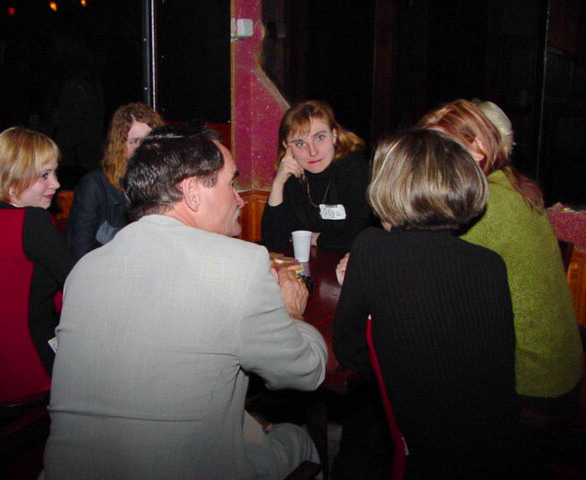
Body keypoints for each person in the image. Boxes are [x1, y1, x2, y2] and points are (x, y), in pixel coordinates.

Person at [41, 125, 327, 479]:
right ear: (192, 193)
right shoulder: (240, 265)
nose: (240, 199)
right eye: (231, 183)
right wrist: (293, 312)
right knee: (299, 440)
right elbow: (306, 373)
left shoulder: (84, 271)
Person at [333, 129, 547, 478]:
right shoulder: (489, 264)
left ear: (387, 185)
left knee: (358, 445)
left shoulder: (371, 246)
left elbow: (351, 354)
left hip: (431, 457)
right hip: (505, 451)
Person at [417, 99, 583, 419]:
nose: (435, 163)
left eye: (446, 150)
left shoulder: (487, 203)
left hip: (534, 383)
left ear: (479, 147)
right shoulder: (506, 181)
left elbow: (425, 275)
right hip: (558, 367)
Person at [0, 127, 75, 404]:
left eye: (54, 173)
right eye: (44, 175)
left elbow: (36, 289)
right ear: (12, 177)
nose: (56, 184)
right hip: (34, 372)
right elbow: (80, 285)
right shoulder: (31, 222)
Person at [261, 100, 373, 252]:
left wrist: (316, 238)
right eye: (300, 143)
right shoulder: (293, 176)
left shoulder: (355, 169)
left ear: (334, 136)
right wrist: (278, 184)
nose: (312, 151)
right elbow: (273, 241)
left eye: (320, 137)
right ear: (287, 147)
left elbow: (361, 237)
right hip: (310, 263)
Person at [65, 102, 165, 259]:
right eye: (134, 141)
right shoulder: (94, 186)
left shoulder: (165, 183)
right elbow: (80, 253)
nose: (143, 147)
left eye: (149, 139)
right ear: (119, 146)